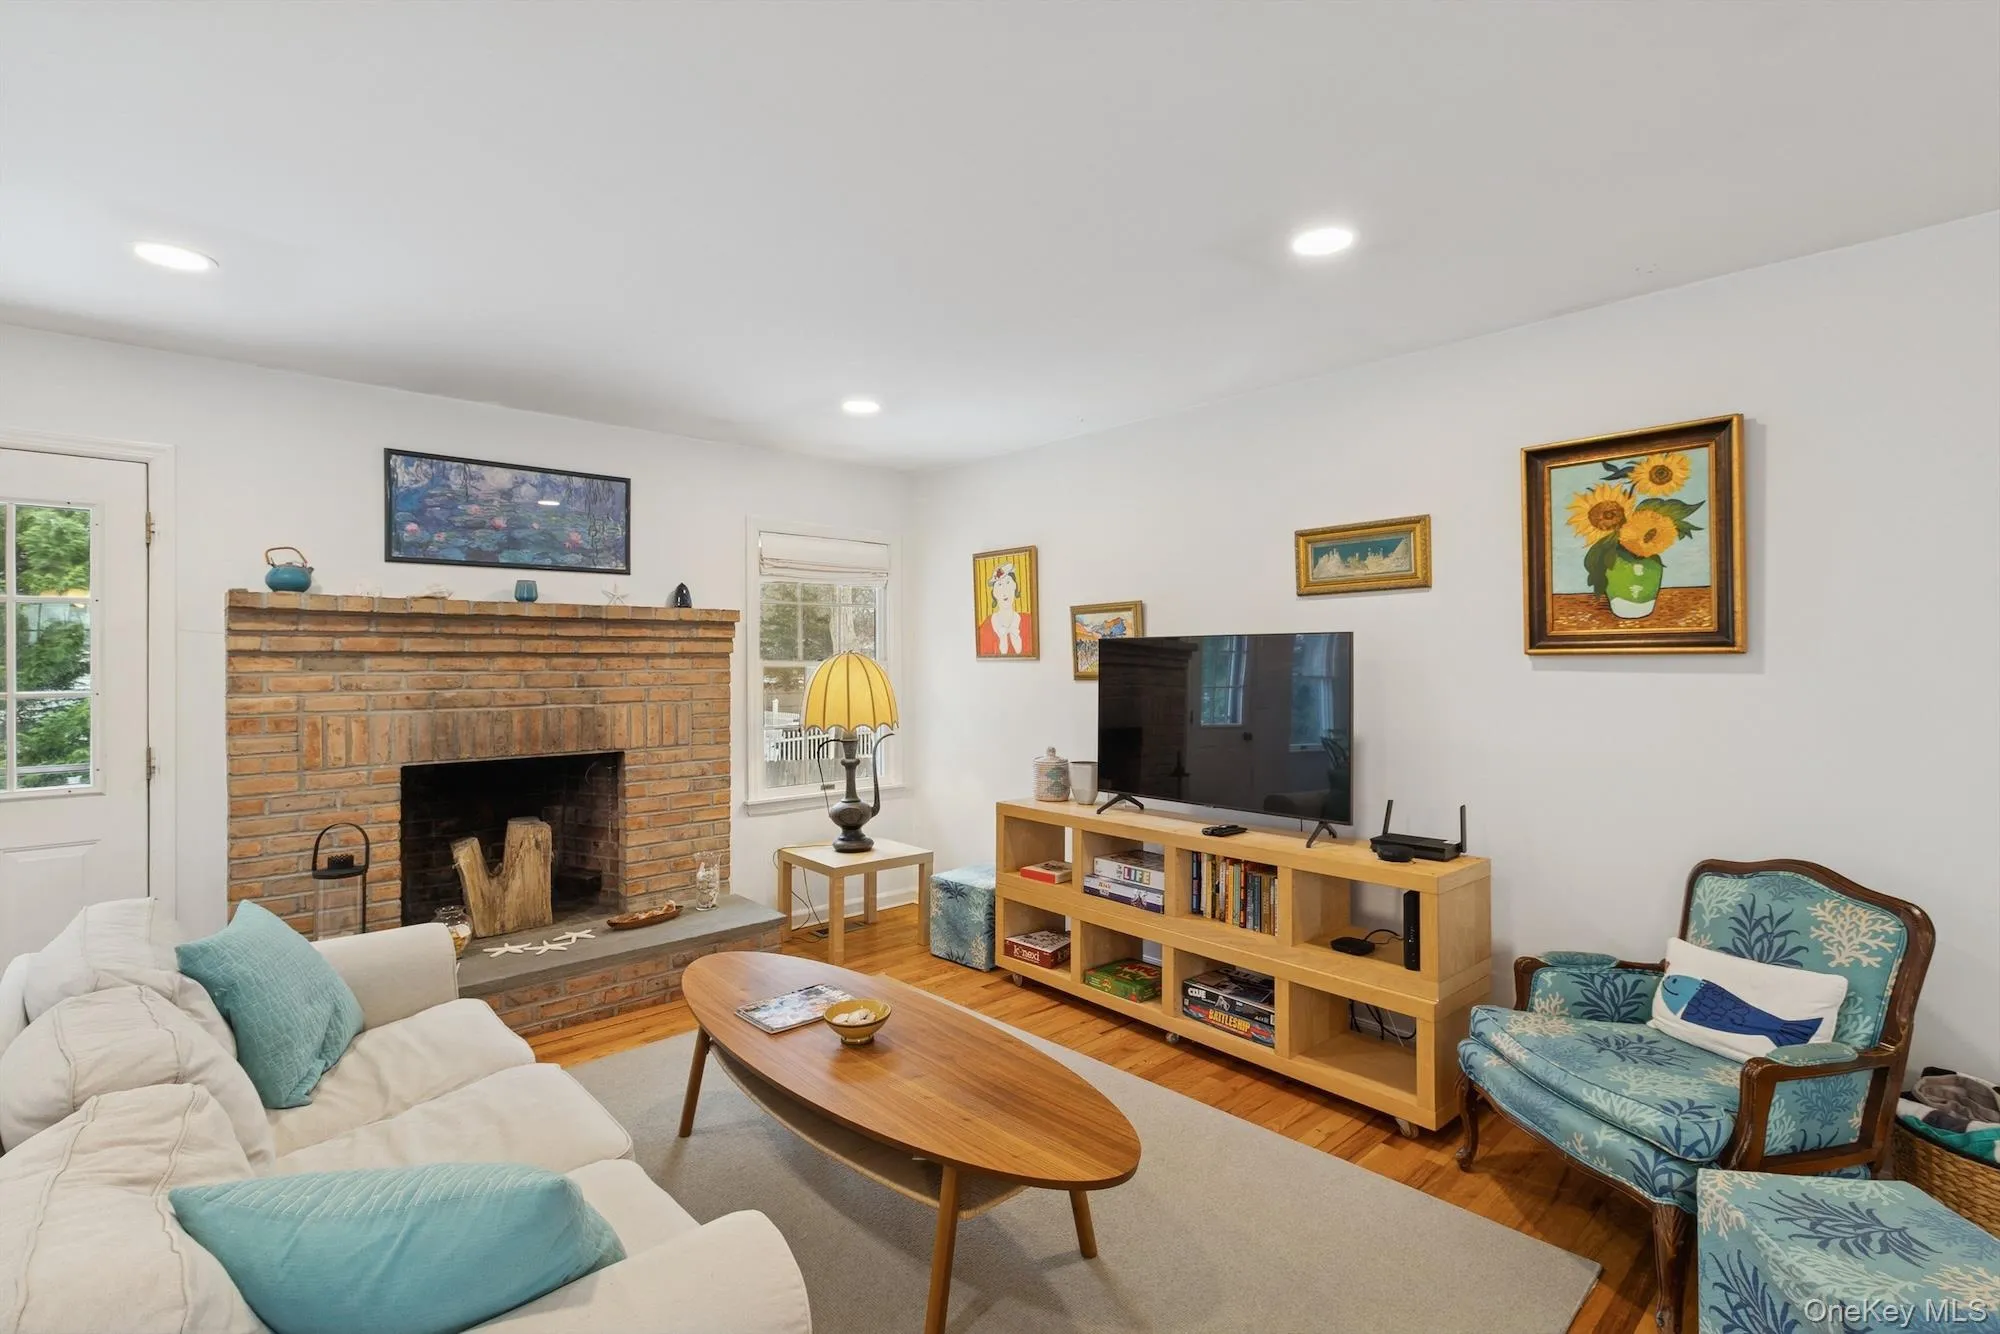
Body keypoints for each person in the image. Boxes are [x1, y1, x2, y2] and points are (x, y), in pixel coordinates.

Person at [977, 561, 1034, 656]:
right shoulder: (984, 628)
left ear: (1014, 586)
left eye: (1008, 582)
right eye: (999, 585)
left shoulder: (1029, 621)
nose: (1005, 590)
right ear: (994, 593)